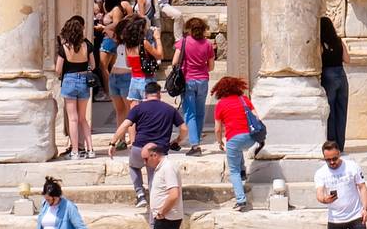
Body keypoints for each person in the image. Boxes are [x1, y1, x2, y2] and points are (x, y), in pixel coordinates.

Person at [109, 80, 186, 208]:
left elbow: (124, 125)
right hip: (159, 150)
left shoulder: (138, 108)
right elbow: (184, 129)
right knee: (153, 175)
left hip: (140, 147)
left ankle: (140, 195)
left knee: (134, 166)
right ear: (159, 94)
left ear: (145, 95)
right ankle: (154, 200)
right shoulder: (170, 109)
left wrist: (113, 143)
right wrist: (177, 141)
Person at [211, 75, 259, 211]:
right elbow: (256, 116)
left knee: (233, 171)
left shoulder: (220, 104)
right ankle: (243, 170)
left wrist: (219, 141)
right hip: (251, 138)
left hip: (234, 139)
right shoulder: (244, 99)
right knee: (238, 149)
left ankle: (241, 200)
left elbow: (217, 128)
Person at [170, 16, 216, 155]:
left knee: (190, 113)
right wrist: (201, 70)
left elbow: (174, 62)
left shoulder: (183, 42)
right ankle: (197, 139)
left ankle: (195, 146)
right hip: (203, 81)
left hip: (188, 80)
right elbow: (211, 66)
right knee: (200, 112)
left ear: (189, 29)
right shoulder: (208, 44)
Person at [54, 16, 95, 160]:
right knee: (83, 118)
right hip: (84, 79)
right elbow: (93, 65)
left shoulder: (64, 47)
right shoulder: (87, 45)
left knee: (73, 119)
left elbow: (58, 69)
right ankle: (90, 149)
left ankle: (75, 151)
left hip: (69, 80)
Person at [322, 16, 350, 150]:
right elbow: (347, 59)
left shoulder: (321, 43)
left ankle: (332, 144)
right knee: (342, 111)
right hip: (341, 75)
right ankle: (341, 145)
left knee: (330, 112)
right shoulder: (339, 41)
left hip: (328, 75)